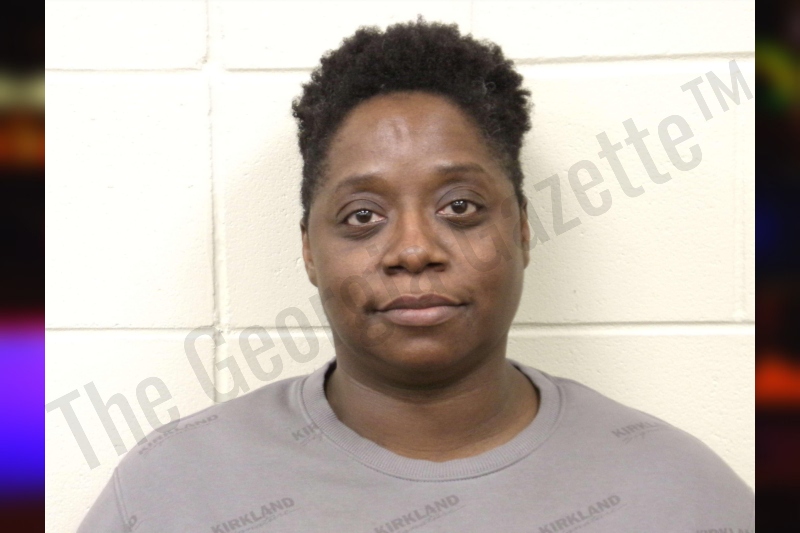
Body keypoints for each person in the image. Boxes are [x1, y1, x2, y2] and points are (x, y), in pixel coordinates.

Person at [78, 19, 754, 532]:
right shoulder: (177, 486)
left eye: (460, 207)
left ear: (522, 231)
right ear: (309, 250)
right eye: (362, 215)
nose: (413, 249)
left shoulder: (679, 491)